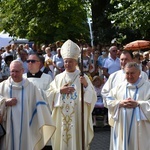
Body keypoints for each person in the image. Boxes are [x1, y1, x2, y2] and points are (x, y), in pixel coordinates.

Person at [46, 39, 97, 150]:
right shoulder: (58, 78)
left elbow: (92, 97)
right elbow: (48, 95)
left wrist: (86, 85)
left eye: (70, 61)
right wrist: (59, 91)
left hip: (77, 116)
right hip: (61, 117)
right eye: (66, 61)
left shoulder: (83, 77)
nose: (67, 64)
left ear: (75, 62)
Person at [0, 60, 55, 150]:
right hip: (8, 128)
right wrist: (4, 102)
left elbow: (40, 105)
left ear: (22, 71)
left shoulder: (31, 87)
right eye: (12, 71)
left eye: (17, 71)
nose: (14, 74)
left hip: (26, 128)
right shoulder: (2, 86)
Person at [101, 50, 148, 150]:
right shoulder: (116, 80)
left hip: (140, 128)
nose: (130, 76)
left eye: (126, 59)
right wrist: (119, 103)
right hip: (121, 125)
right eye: (121, 59)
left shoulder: (145, 82)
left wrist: (139, 104)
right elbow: (107, 96)